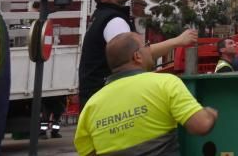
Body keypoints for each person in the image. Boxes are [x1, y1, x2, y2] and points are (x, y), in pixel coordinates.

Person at [75, 32, 217, 155]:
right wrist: (211, 113)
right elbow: (201, 125)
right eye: (147, 45)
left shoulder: (91, 107)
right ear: (137, 56)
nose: (150, 49)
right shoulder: (165, 84)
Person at [78, 0, 197, 106]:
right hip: (107, 100)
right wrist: (178, 41)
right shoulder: (114, 21)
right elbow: (136, 56)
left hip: (98, 98)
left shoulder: (101, 17)